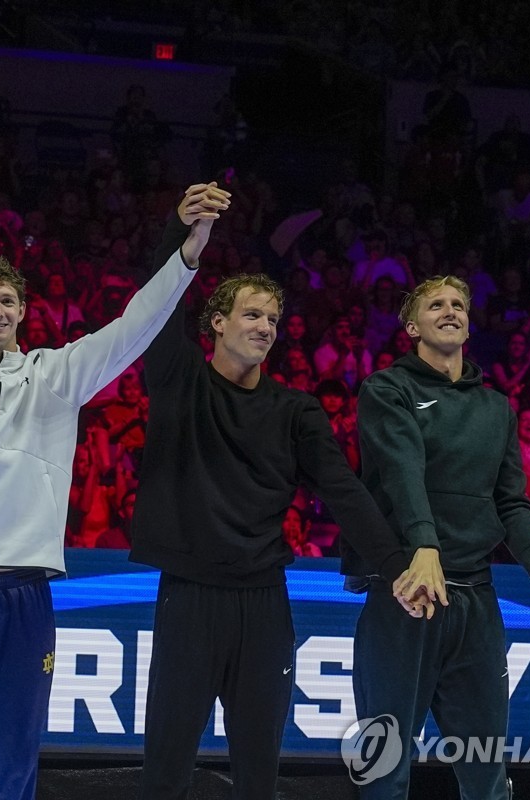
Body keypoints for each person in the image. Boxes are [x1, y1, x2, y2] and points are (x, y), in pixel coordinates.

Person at [0, 140, 230, 797]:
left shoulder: (57, 376)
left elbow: (134, 325)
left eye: (8, 301)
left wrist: (187, 252)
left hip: (21, 597)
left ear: (24, 312)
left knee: (16, 768)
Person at [129, 226, 422, 798]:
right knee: (166, 769)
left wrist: (396, 564)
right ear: (216, 322)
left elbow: (345, 491)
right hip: (189, 599)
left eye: (272, 320)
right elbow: (152, 304)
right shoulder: (179, 379)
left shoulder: (296, 411)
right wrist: (181, 238)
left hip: (265, 606)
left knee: (259, 773)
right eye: (252, 315)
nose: (266, 328)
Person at [347, 275, 530, 800]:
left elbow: (510, 500)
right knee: (384, 767)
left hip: (476, 603)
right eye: (435, 305)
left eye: (458, 305)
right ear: (412, 326)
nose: (450, 311)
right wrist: (425, 546)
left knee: (486, 769)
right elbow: (403, 470)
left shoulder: (497, 408)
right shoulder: (386, 389)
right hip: (404, 596)